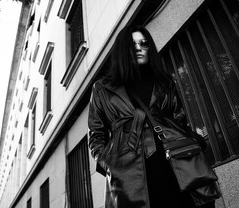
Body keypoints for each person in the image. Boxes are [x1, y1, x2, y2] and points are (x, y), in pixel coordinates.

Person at [88, 24, 218, 208]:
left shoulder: (165, 82)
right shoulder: (103, 88)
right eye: (133, 45)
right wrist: (111, 164)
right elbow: (96, 136)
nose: (140, 48)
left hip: (176, 165)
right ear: (123, 50)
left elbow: (180, 120)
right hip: (129, 174)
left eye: (144, 43)